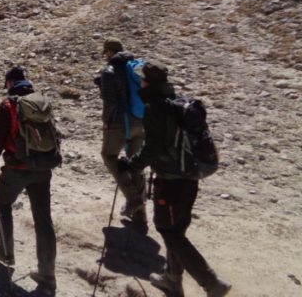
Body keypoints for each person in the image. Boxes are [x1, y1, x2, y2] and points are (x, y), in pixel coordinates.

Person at [121, 62, 232, 297]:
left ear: (147, 82)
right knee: (176, 230)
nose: (140, 82)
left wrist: (131, 164)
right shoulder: (178, 101)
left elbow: (153, 148)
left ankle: (211, 283)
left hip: (171, 181)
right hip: (190, 177)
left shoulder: (155, 107)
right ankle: (171, 279)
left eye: (142, 79)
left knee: (168, 230)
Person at [0, 66, 58, 292]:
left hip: (17, 167)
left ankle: (5, 252)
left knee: (3, 204)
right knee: (43, 220)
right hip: (43, 168)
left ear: (9, 82)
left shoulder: (9, 105)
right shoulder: (42, 102)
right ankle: (47, 275)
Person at [96, 40, 147, 229]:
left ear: (109, 52)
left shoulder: (109, 71)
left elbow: (110, 102)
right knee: (135, 164)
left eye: (106, 53)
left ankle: (134, 199)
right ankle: (141, 219)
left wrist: (106, 123)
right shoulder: (135, 68)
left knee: (108, 155)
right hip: (141, 121)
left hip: (119, 123)